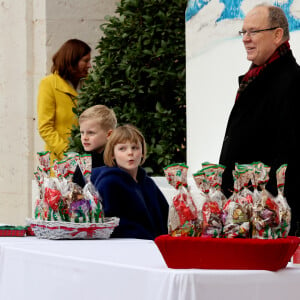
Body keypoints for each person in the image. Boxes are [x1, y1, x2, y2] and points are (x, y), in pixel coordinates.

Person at [219, 4, 300, 235]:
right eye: (243, 32)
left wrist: (266, 209)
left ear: (277, 35)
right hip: (242, 211)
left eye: (253, 31)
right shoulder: (256, 77)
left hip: (267, 219)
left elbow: (290, 155)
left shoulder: (292, 82)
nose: (245, 39)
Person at [91, 124, 169, 240]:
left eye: (135, 147)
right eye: (122, 148)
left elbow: (163, 215)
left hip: (155, 248)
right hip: (124, 249)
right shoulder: (109, 183)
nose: (130, 153)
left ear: (142, 152)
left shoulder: (148, 183)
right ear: (112, 154)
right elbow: (107, 224)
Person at [37, 39, 92, 166]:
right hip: (60, 163)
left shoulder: (90, 85)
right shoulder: (49, 84)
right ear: (71, 61)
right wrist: (67, 153)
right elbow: (45, 127)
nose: (89, 65)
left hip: (88, 160)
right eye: (85, 61)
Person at [72, 104, 117, 187]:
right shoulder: (84, 163)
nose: (84, 138)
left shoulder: (117, 161)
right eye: (82, 132)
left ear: (109, 134)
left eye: (91, 133)